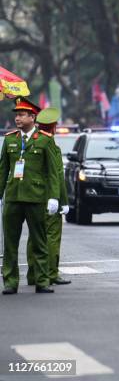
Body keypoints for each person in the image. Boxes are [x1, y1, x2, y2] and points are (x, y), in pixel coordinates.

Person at [0, 97, 61, 294]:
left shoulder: (45, 139)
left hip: (36, 197)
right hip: (13, 197)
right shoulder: (10, 139)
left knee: (39, 240)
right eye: (16, 115)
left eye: (22, 115)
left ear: (32, 117)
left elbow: (53, 172)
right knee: (10, 243)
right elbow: (3, 170)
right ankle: (10, 281)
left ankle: (42, 281)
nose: (17, 119)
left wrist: (54, 197)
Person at [26, 107, 71, 286]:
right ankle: (51, 273)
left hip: (33, 197)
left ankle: (32, 274)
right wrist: (63, 200)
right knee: (51, 236)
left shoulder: (30, 141)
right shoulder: (50, 144)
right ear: (53, 126)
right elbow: (57, 175)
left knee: (34, 236)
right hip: (50, 197)